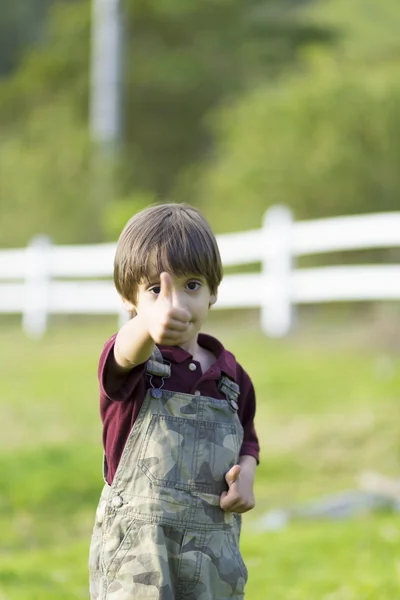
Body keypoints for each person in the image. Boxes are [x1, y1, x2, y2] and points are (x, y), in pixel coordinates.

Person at [89, 203, 260, 600]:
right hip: (139, 558)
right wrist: (147, 326)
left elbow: (247, 438)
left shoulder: (231, 377)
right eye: (156, 290)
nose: (176, 304)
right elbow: (125, 352)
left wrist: (246, 473)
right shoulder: (133, 364)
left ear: (214, 290)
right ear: (126, 298)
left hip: (213, 557)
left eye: (192, 285)